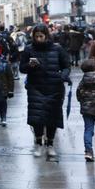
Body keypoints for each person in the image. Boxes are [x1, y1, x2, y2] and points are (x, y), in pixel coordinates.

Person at [21, 24, 72, 158]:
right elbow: (22, 68)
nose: (38, 39)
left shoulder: (57, 49)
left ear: (46, 36)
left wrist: (63, 76)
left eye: (41, 36)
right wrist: (30, 66)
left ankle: (50, 144)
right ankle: (38, 143)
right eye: (36, 36)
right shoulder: (28, 49)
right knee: (37, 117)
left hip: (54, 87)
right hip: (35, 87)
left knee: (52, 117)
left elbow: (66, 65)